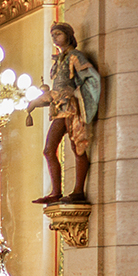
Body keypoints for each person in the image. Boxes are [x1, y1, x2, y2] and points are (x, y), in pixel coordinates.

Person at [29, 21, 101, 204]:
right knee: (48, 150)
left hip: (71, 109)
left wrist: (76, 92)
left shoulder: (75, 57)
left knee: (77, 147)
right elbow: (57, 92)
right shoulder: (59, 60)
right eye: (53, 35)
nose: (55, 37)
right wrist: (41, 98)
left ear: (68, 36)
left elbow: (92, 77)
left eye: (58, 34)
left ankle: (78, 190)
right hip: (59, 110)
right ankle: (55, 191)